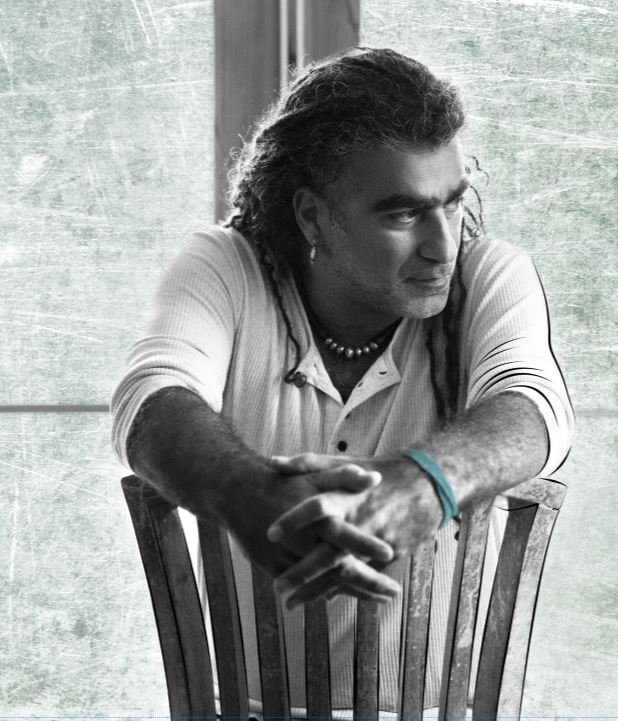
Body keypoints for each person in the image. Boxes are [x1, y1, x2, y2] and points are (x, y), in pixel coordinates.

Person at [111, 48, 573, 712]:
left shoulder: (488, 274)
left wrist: (426, 483)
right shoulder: (225, 266)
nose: (443, 245)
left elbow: (532, 405)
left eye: (452, 203)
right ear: (312, 216)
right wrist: (249, 494)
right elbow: (152, 399)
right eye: (402, 214)